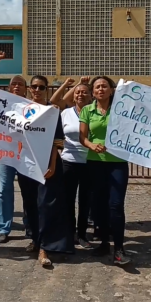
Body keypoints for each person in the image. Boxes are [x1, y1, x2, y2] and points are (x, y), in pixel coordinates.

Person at [19, 75, 74, 267]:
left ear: (46, 90)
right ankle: (35, 239)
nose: (37, 90)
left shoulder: (53, 112)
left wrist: (51, 164)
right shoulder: (20, 110)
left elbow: (56, 142)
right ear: (29, 89)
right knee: (30, 204)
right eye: (34, 86)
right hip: (25, 164)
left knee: (45, 206)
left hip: (47, 165)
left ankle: (45, 247)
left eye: (41, 87)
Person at [79, 76, 131, 266]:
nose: (101, 89)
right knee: (99, 205)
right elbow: (82, 137)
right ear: (93, 92)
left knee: (116, 205)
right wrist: (91, 145)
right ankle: (103, 243)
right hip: (95, 162)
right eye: (97, 87)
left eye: (105, 86)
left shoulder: (122, 110)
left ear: (111, 90)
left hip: (117, 163)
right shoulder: (87, 110)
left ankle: (119, 248)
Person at [0, 50, 31, 243]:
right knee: (4, 190)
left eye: (21, 84)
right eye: (14, 84)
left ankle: (30, 225)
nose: (17, 86)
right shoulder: (2, 101)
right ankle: (4, 228)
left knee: (28, 190)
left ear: (26, 89)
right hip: (4, 152)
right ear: (9, 88)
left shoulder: (31, 104)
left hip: (26, 152)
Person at [58, 77, 94, 249]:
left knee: (85, 200)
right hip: (69, 161)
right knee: (68, 199)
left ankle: (82, 234)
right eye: (78, 92)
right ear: (73, 96)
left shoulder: (94, 113)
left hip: (89, 162)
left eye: (84, 92)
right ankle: (69, 232)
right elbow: (57, 136)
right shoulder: (65, 113)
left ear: (90, 96)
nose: (80, 94)